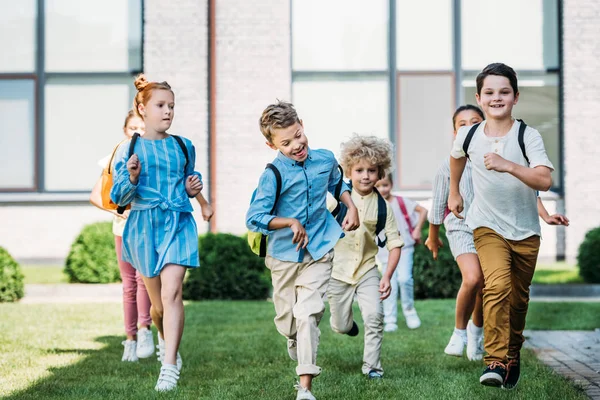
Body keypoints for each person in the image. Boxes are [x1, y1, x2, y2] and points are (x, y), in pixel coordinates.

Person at [428, 105, 569, 364]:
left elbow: (526, 191)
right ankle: (460, 332)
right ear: (455, 132)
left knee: (490, 285)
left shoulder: (500, 156)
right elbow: (439, 203)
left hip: (495, 226)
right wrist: (432, 235)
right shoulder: (448, 167)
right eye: (463, 124)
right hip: (462, 227)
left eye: (475, 121)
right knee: (474, 278)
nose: (469, 126)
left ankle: (477, 332)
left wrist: (546, 215)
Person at [448, 63, 559, 389]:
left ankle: (512, 353)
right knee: (496, 286)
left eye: (504, 92)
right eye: (490, 93)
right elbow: (456, 156)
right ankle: (494, 360)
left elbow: (545, 179)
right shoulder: (469, 134)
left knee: (518, 300)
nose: (497, 98)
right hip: (486, 225)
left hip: (525, 230)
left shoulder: (527, 135)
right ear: (480, 98)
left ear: (515, 97)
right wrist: (455, 190)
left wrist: (508, 165)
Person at [246, 101, 359, 400]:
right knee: (289, 323)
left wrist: (350, 204)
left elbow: (337, 184)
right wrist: (289, 222)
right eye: (287, 142)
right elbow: (254, 217)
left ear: (302, 125)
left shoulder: (324, 159)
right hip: (283, 256)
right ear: (271, 144)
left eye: (298, 135)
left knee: (308, 313)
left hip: (319, 248)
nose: (297, 145)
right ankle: (294, 340)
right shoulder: (273, 174)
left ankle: (305, 387)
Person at [111, 74, 204, 392]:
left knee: (173, 293)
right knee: (158, 307)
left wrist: (193, 188)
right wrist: (133, 178)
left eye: (172, 106)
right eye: (161, 105)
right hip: (143, 230)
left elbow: (190, 180)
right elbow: (119, 198)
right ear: (142, 108)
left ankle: (169, 367)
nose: (168, 112)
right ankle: (165, 340)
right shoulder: (129, 149)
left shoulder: (183, 145)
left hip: (177, 225)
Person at [327, 134, 404, 380]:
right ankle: (348, 327)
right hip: (337, 271)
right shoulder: (337, 201)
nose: (365, 175)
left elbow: (394, 244)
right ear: (349, 171)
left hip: (367, 270)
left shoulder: (384, 207)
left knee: (375, 316)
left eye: (371, 170)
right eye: (359, 170)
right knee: (338, 325)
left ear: (380, 173)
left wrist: (388, 276)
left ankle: (372, 367)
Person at [90, 110, 154, 363]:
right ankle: (130, 340)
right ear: (124, 131)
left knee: (143, 281)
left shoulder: (152, 155)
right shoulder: (115, 156)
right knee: (129, 286)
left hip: (146, 229)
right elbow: (96, 197)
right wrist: (119, 210)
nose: (137, 132)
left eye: (141, 127)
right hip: (123, 230)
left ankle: (145, 329)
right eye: (132, 128)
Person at [374, 174, 427, 331]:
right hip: (384, 251)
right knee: (389, 283)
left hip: (405, 247)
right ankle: (390, 318)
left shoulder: (401, 201)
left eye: (385, 185)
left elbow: (423, 210)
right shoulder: (374, 204)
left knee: (404, 279)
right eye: (378, 186)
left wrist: (417, 229)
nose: (382, 189)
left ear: (391, 184)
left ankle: (409, 311)